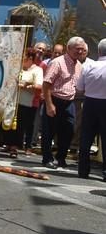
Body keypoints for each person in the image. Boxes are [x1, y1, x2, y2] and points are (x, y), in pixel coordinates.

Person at [41, 36, 86, 169]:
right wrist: (49, 104)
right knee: (49, 131)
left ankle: (61, 157)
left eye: (82, 50)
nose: (80, 52)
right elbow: (46, 84)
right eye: (77, 49)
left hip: (69, 102)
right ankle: (47, 158)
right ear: (69, 48)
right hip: (54, 99)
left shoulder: (79, 65)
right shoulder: (57, 63)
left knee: (69, 131)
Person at [76, 38, 106, 181]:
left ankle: (83, 170)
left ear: (99, 51)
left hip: (90, 102)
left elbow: (80, 89)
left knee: (86, 138)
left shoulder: (89, 66)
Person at [7, 48, 43, 157]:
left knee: (25, 126)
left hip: (28, 103)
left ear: (30, 58)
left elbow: (38, 86)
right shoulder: (18, 68)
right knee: (12, 125)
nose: (22, 58)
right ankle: (9, 145)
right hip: (14, 101)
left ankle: (24, 146)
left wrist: (26, 85)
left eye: (24, 56)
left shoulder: (37, 70)